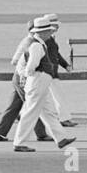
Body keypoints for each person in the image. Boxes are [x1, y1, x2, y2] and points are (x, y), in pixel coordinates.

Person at [13, 18, 78, 153]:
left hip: (40, 82)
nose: (50, 33)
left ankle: (61, 138)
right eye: (48, 31)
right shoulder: (36, 45)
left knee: (48, 112)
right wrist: (28, 76)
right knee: (30, 112)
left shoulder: (37, 43)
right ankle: (19, 142)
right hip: (38, 81)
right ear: (42, 32)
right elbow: (31, 65)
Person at [0, 21, 52, 143]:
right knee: (33, 105)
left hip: (20, 77)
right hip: (22, 78)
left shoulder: (33, 42)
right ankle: (41, 133)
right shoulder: (30, 43)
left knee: (14, 106)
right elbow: (16, 61)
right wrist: (26, 73)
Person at [39, 14, 78, 127]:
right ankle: (64, 118)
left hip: (50, 72)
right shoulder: (46, 39)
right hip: (48, 72)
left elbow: (56, 54)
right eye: (56, 25)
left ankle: (21, 113)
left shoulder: (50, 38)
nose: (58, 27)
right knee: (57, 96)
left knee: (41, 96)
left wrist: (65, 65)